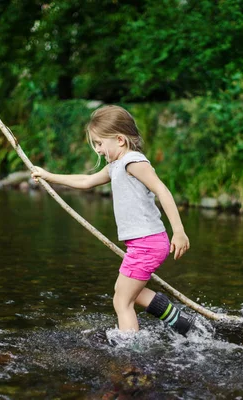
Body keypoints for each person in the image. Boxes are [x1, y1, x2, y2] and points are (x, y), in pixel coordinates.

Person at [32, 105, 193, 335]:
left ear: (119, 139)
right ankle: (179, 322)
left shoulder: (134, 162)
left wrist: (178, 231)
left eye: (99, 143)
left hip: (147, 244)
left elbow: (162, 190)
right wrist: (49, 176)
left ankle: (130, 353)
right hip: (141, 244)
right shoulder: (116, 165)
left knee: (121, 302)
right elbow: (86, 181)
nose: (97, 150)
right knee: (126, 292)